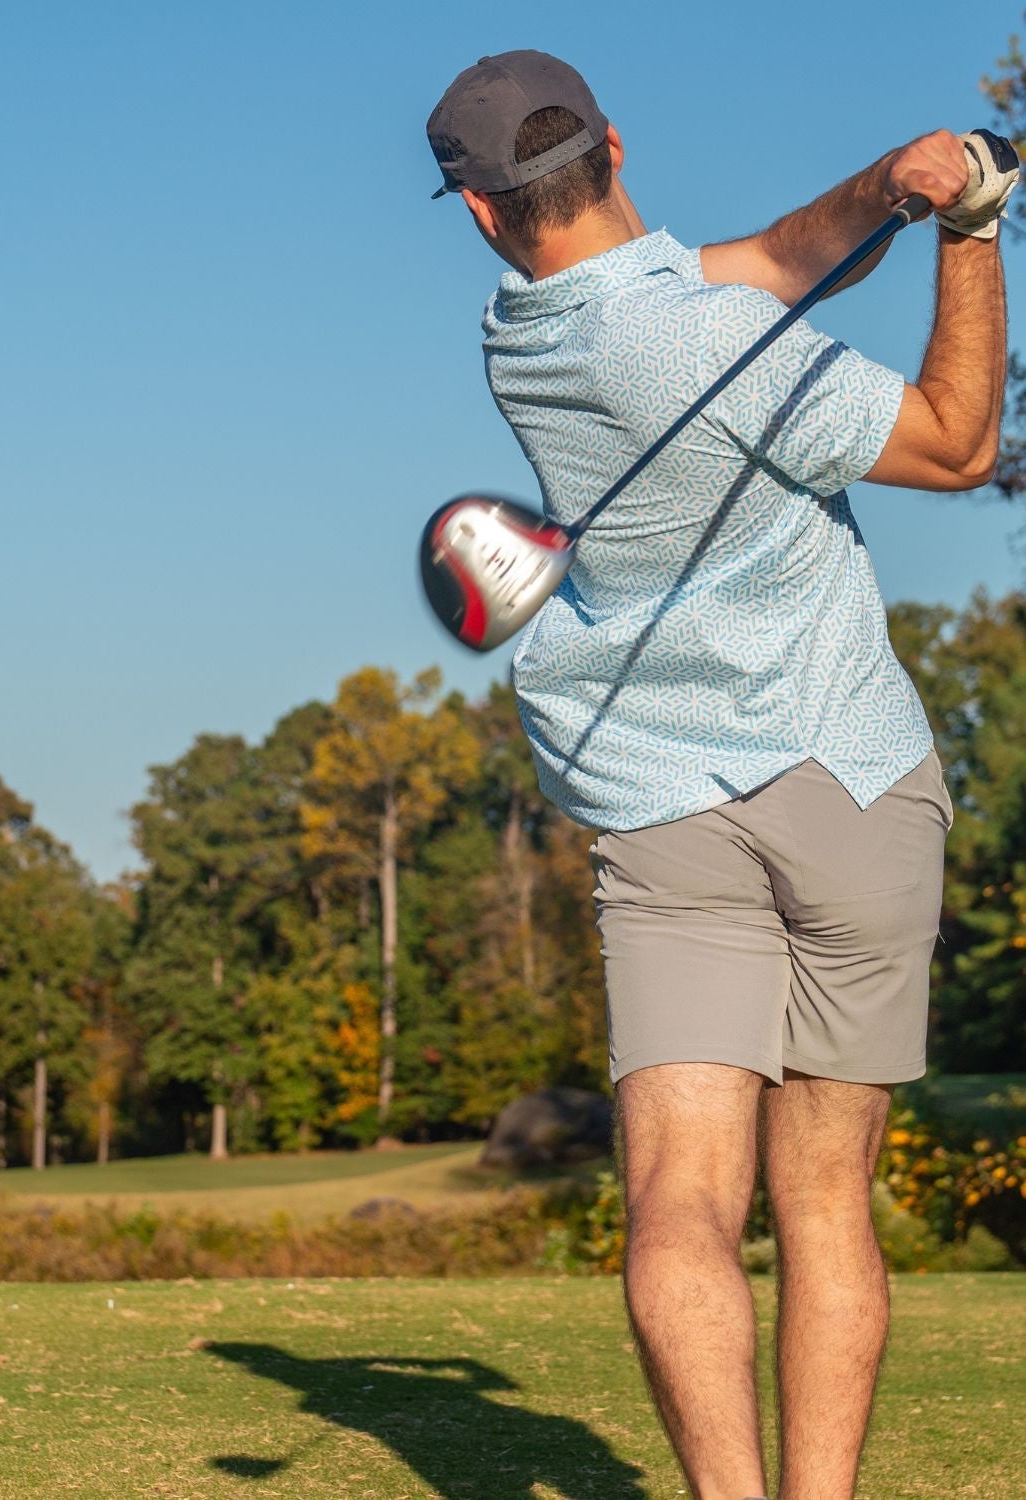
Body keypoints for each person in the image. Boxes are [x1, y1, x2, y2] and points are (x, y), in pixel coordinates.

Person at [425, 50, 1012, 1500]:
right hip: (848, 780)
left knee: (682, 1199)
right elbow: (956, 443)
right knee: (824, 1204)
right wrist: (971, 231)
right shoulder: (699, 341)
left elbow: (766, 267)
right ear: (618, 145)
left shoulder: (522, 330)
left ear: (481, 215)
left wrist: (885, 185)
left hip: (662, 804)